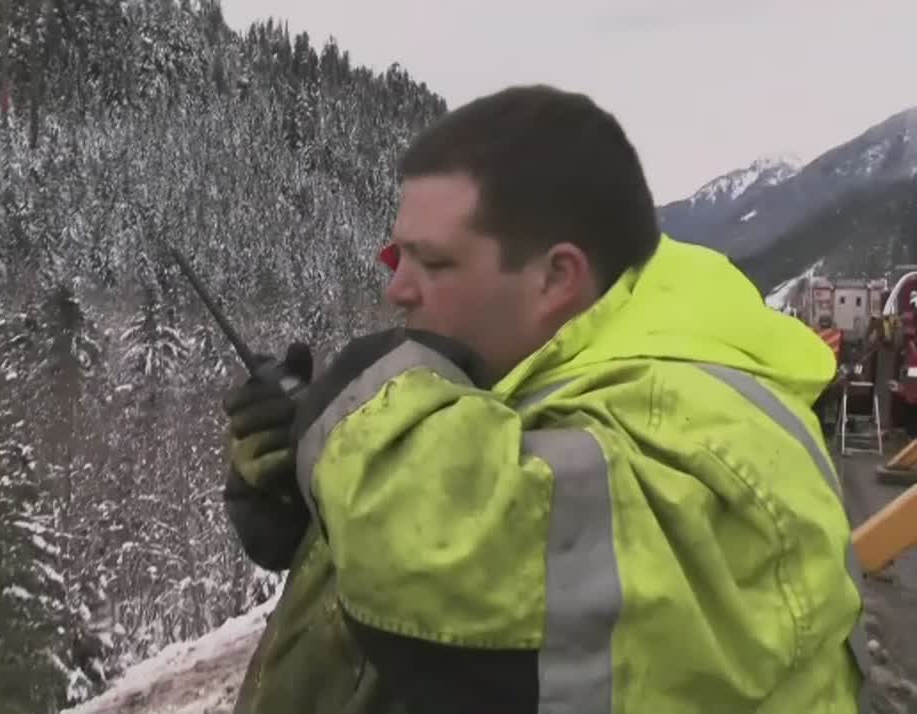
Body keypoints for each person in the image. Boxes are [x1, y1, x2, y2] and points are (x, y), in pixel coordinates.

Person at [221, 84, 870, 714]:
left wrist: (363, 437)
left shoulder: (706, 432)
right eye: (397, 257)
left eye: (434, 263)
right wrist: (312, 500)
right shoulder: (528, 364)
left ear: (555, 277)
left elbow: (497, 594)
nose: (398, 290)